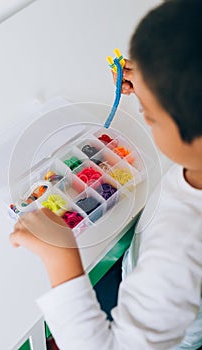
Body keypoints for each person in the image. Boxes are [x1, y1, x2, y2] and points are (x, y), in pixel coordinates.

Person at [10, 0, 202, 349]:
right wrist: (162, 85)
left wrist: (62, 256)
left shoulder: (181, 249)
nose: (143, 113)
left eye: (152, 116)